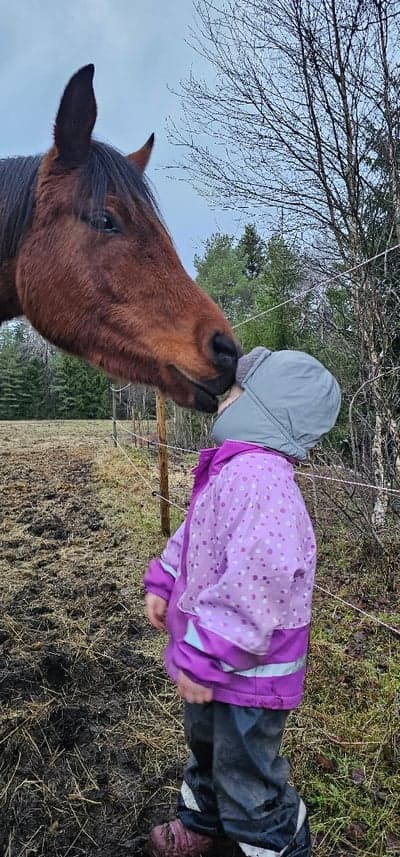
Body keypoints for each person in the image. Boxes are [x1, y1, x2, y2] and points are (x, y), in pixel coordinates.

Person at [144, 346, 341, 857]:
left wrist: (205, 655)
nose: (222, 400)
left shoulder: (262, 484)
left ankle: (277, 843)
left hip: (248, 674)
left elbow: (257, 586)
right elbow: (196, 536)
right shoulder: (232, 472)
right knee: (205, 748)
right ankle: (203, 821)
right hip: (213, 662)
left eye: (233, 392)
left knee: (247, 774)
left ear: (265, 411)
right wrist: (164, 580)